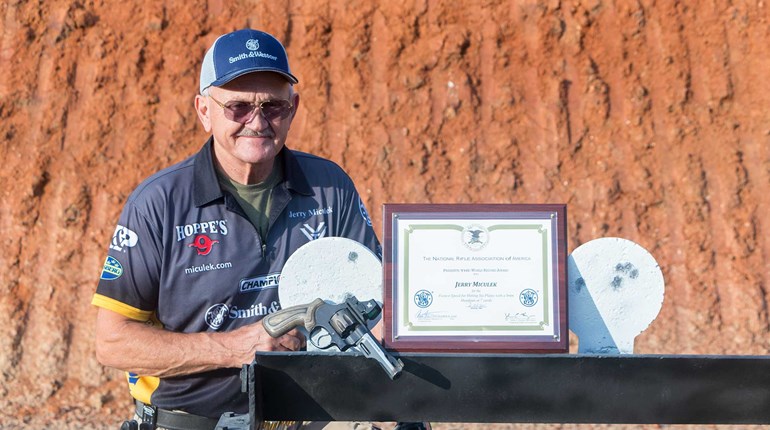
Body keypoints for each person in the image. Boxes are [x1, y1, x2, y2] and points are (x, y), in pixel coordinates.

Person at [92, 28, 382, 430]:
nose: (257, 121)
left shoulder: (330, 187)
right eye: (238, 107)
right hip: (190, 421)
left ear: (293, 108)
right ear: (204, 111)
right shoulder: (158, 203)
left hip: (308, 416)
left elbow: (378, 305)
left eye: (273, 107)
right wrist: (234, 348)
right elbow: (111, 341)